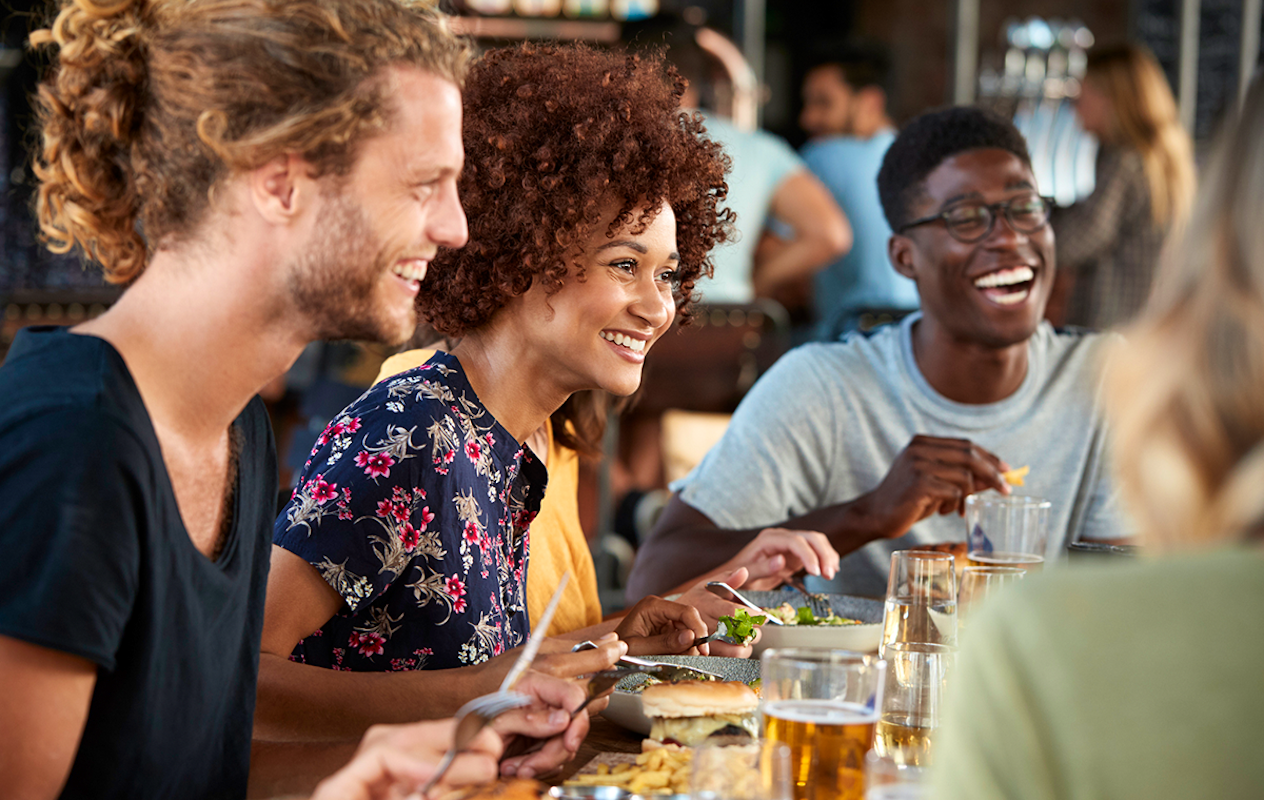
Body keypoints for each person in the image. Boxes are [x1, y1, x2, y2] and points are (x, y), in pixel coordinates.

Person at [0, 1, 584, 798]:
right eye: (425, 184)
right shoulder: (75, 446)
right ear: (280, 181)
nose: (455, 229)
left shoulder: (234, 425)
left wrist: (413, 759)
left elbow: (200, 773)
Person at [260, 43, 824, 752]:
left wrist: (619, 635)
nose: (658, 309)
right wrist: (485, 699)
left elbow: (488, 669)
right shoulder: (410, 433)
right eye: (625, 265)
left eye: (669, 276)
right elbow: (238, 680)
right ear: (525, 252)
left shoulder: (517, 437)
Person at [628, 106, 1135, 602]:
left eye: (1025, 208)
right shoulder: (824, 388)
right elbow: (653, 578)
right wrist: (867, 514)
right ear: (904, 256)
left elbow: (1131, 599)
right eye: (966, 218)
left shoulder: (1109, 379)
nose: (1009, 236)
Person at [930, 75, 1264, 800]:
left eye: (1023, 208)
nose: (1077, 106)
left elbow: (1078, 237)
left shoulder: (1050, 650)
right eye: (969, 217)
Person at [1051, 42, 1195, 330]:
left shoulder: (1125, 161)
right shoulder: (1164, 154)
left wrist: (1028, 220)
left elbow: (1076, 239)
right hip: (1149, 321)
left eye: (1083, 92)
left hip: (1111, 326)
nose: (1074, 104)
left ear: (1111, 97)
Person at [797, 44, 920, 338]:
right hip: (919, 337)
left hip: (849, 338)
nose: (808, 119)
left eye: (824, 103)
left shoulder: (822, 156)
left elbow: (774, 255)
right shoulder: (921, 159)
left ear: (870, 103)